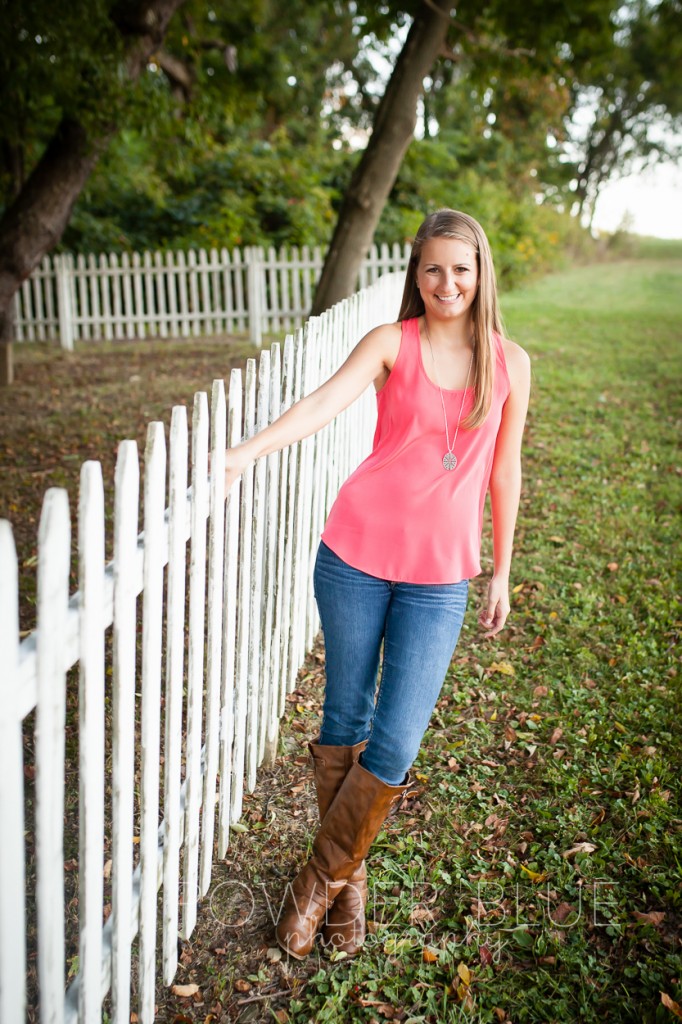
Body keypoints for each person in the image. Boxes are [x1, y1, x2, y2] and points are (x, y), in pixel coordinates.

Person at [222, 209, 531, 960]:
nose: (446, 282)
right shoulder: (394, 342)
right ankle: (346, 889)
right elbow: (324, 403)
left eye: (461, 269)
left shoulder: (510, 361)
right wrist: (245, 453)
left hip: (439, 578)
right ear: (414, 274)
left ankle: (316, 882)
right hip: (355, 555)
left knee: (394, 740)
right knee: (344, 718)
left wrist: (502, 569)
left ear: (482, 272)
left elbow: (504, 467)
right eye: (432, 269)